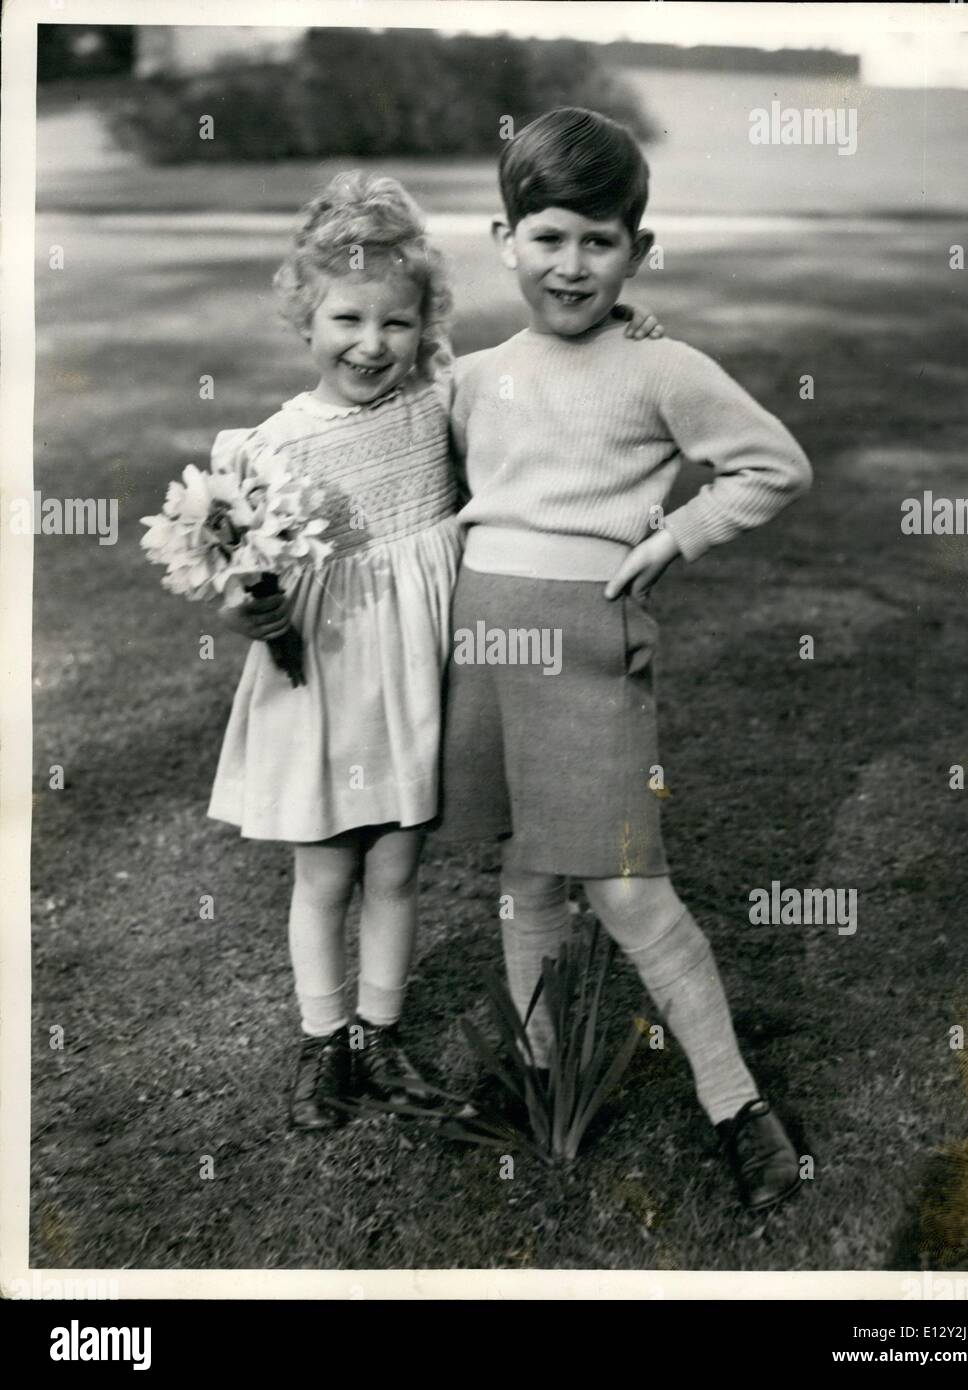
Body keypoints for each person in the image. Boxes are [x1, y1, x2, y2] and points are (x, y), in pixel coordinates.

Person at [206, 168, 661, 1133]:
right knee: (327, 874)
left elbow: (545, 374)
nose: (372, 345)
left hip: (417, 679)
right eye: (347, 320)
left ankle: (379, 1032)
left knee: (398, 870)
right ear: (304, 317)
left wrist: (633, 332)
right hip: (322, 683)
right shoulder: (265, 448)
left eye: (396, 324)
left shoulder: (439, 405)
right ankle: (323, 1042)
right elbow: (238, 579)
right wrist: (247, 612)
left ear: (425, 325)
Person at [440, 108, 813, 1210]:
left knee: (627, 882)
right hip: (482, 639)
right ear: (503, 236)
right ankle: (539, 1066)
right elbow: (440, 492)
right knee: (525, 869)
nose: (571, 263)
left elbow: (772, 463)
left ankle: (735, 1102)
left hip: (589, 645)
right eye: (547, 236)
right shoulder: (469, 375)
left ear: (637, 253)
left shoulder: (664, 366)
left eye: (600, 241)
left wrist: (673, 535)